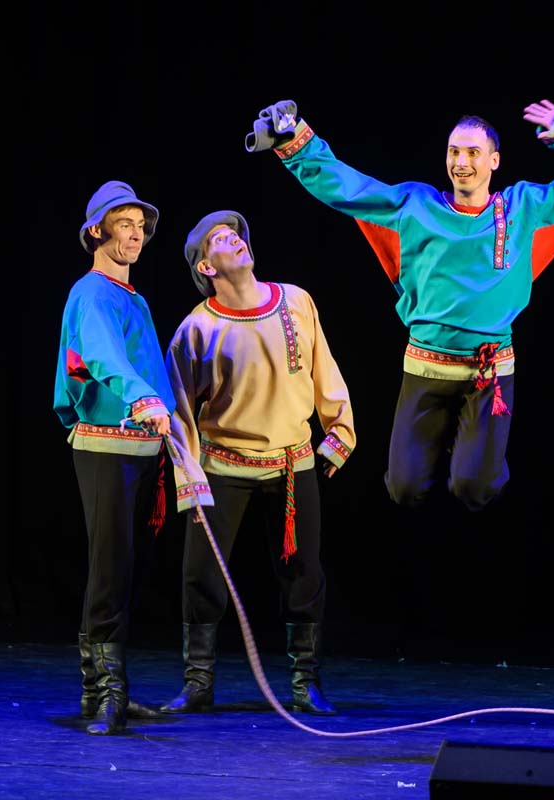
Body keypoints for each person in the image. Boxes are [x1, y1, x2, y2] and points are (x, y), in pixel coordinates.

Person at [244, 97, 554, 513]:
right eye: (454, 151)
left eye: (473, 152)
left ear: (494, 161)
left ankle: (477, 462)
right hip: (426, 367)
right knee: (404, 488)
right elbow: (348, 187)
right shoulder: (416, 206)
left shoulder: (522, 208)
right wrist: (298, 146)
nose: (461, 162)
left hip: (489, 375)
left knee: (473, 488)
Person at [158, 210, 356, 717]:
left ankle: (305, 681)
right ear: (206, 267)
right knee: (201, 573)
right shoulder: (197, 329)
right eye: (221, 240)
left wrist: (339, 431)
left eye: (237, 234)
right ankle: (198, 682)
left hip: (292, 463)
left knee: (303, 573)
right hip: (224, 465)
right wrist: (189, 478)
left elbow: (324, 367)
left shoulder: (296, 301)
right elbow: (178, 410)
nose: (237, 241)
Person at [53, 180, 176, 735]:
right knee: (109, 570)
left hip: (141, 449)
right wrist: (142, 399)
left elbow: (151, 369)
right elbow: (102, 356)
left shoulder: (134, 299)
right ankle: (107, 691)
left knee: (125, 570)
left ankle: (101, 690)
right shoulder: (92, 292)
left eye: (140, 226)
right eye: (124, 224)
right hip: (106, 446)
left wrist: (170, 419)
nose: (135, 234)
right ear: (97, 231)